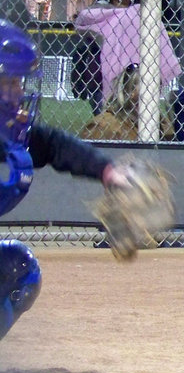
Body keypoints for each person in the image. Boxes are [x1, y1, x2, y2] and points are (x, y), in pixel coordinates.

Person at [0, 18, 138, 340]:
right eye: (9, 83)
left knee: (19, 269)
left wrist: (108, 172)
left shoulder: (8, 130)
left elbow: (51, 144)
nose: (19, 93)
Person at [73, 0, 182, 113]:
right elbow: (87, 26)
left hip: (137, 80)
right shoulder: (101, 11)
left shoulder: (140, 14)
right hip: (104, 80)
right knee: (109, 121)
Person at [79, 63, 174, 141]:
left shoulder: (162, 124)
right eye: (148, 88)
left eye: (157, 88)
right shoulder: (105, 125)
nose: (155, 93)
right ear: (130, 91)